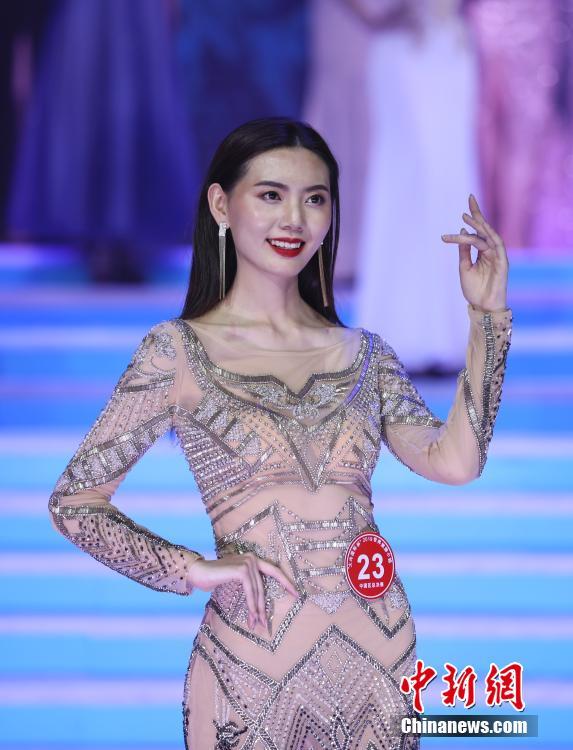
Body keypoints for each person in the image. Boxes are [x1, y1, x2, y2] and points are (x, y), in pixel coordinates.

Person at [48, 117, 512, 748]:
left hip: (380, 661)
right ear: (221, 204)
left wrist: (486, 317)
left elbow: (455, 461)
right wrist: (190, 568)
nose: (294, 219)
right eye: (271, 195)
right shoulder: (176, 352)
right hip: (250, 670)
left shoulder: (364, 354)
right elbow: (75, 503)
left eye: (314, 199)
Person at [354, 0, 481, 373]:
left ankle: (449, 335)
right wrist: (383, 13)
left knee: (448, 176)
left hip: (448, 43)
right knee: (405, 182)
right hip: (403, 45)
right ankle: (400, 331)